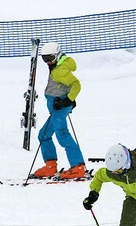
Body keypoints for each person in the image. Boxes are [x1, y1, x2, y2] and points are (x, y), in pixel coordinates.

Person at [33, 42, 86, 179]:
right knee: (43, 135)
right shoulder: (57, 66)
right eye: (45, 59)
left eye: (50, 58)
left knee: (62, 135)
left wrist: (67, 100)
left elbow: (76, 85)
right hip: (55, 107)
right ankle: (50, 166)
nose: (48, 62)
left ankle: (78, 167)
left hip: (60, 107)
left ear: (57, 55)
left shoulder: (60, 70)